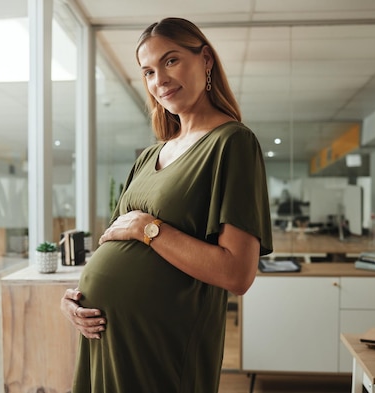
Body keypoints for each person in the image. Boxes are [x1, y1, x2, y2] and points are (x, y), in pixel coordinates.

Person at [60, 17, 273, 393]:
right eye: (148, 72)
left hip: (161, 347)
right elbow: (113, 242)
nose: (159, 79)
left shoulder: (232, 144)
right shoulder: (149, 156)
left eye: (171, 61)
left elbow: (238, 274)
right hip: (104, 338)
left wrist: (148, 228)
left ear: (205, 60)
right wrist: (76, 298)